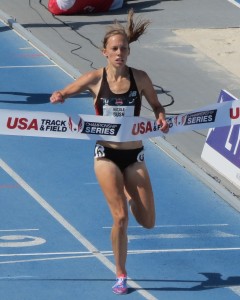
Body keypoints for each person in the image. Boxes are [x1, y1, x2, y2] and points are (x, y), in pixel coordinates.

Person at [50, 9, 169, 295]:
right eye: (114, 49)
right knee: (120, 218)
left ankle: (129, 194)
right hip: (106, 155)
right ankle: (121, 274)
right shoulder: (95, 78)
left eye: (124, 48)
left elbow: (156, 106)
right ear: (105, 52)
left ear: (128, 51)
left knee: (148, 222)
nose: (120, 53)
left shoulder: (140, 78)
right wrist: (60, 96)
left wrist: (162, 117)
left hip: (135, 155)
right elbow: (66, 91)